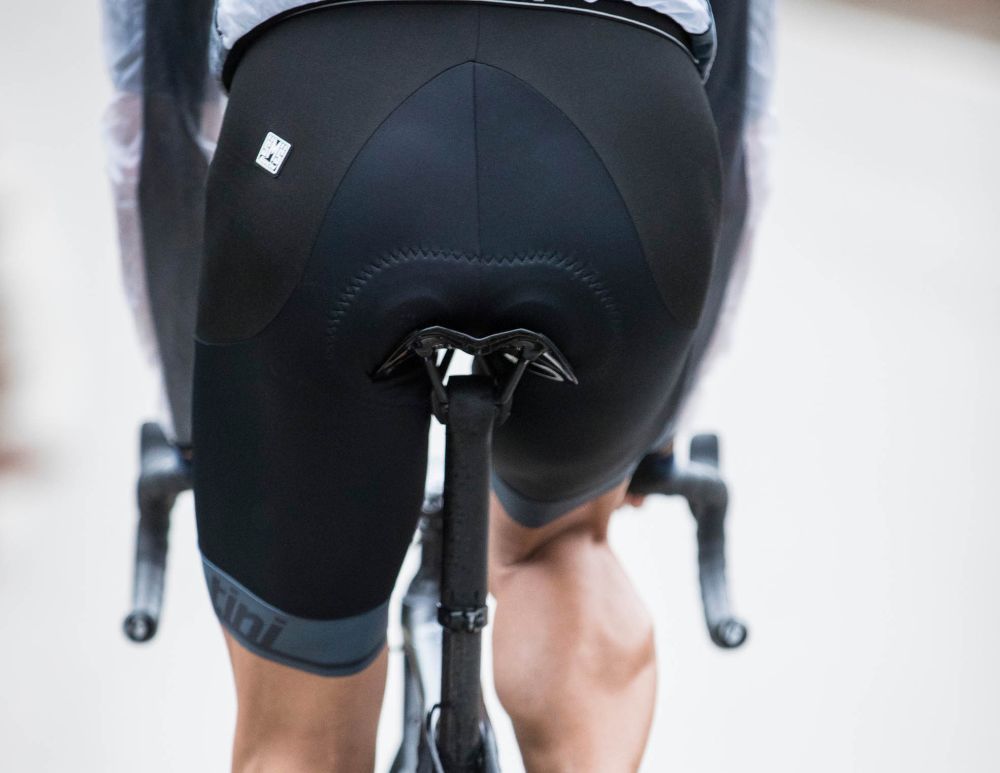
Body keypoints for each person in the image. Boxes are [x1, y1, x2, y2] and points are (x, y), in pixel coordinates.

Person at [102, 0, 774, 769]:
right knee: (557, 544)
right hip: (623, 144)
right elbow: (739, 109)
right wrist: (654, 424)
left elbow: (152, 99)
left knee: (300, 720)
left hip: (319, 135)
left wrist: (200, 417)